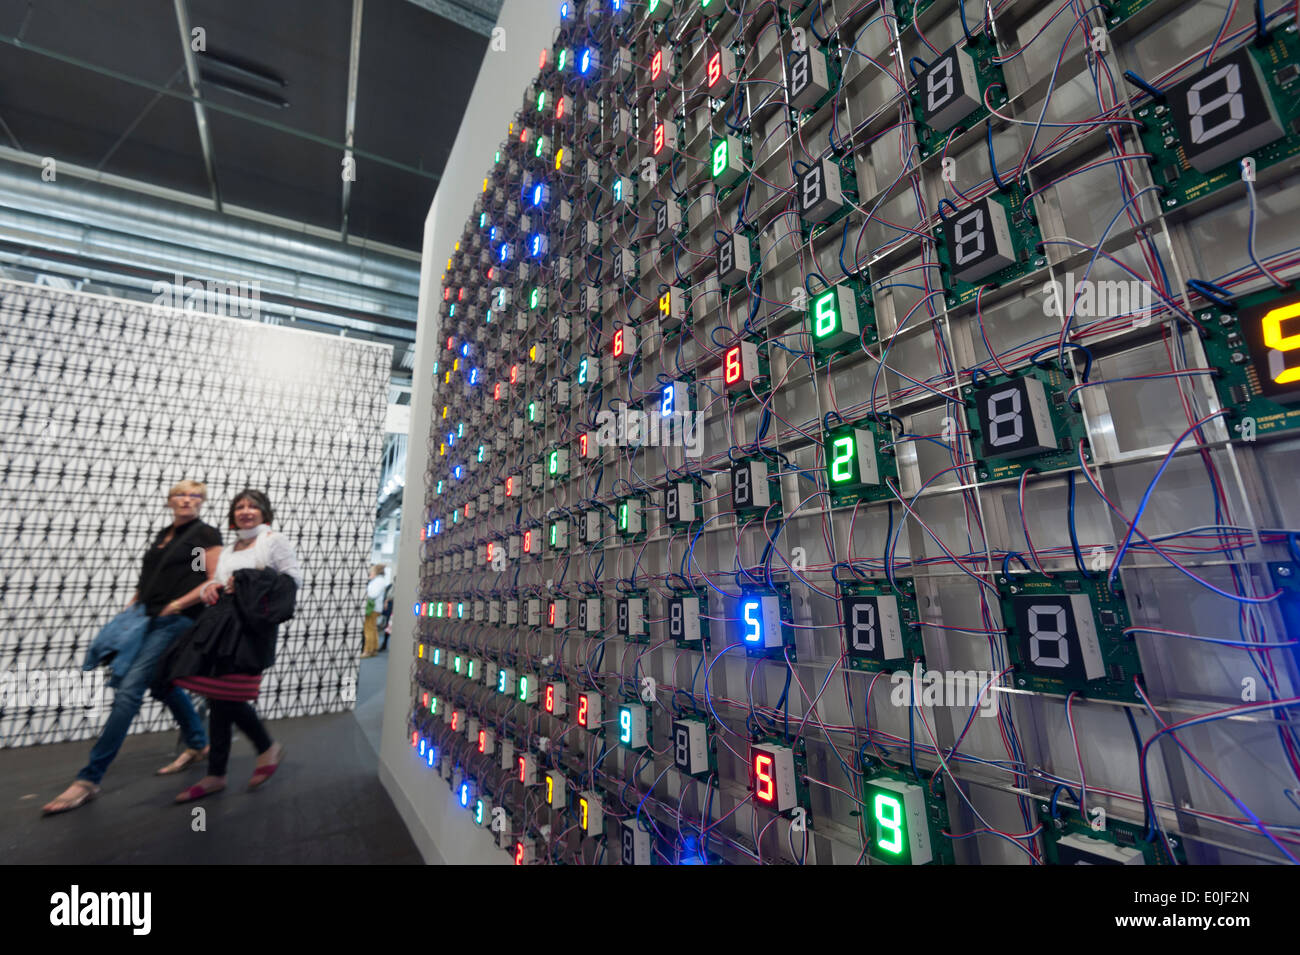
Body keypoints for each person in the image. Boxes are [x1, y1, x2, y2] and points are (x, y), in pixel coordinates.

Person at [42, 480, 222, 815]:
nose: (188, 500)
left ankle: (89, 778)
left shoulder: (203, 536)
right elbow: (149, 579)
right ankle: (198, 744)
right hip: (146, 618)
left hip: (176, 621)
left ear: (202, 502)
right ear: (170, 501)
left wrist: (177, 605)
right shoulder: (163, 536)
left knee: (128, 690)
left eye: (195, 496)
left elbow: (208, 580)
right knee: (161, 684)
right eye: (181, 494)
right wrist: (134, 604)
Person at [156, 488, 302, 803]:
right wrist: (210, 588)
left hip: (249, 628)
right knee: (217, 696)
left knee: (228, 697)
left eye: (252, 506)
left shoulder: (273, 541)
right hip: (221, 625)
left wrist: (248, 579)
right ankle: (219, 772)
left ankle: (259, 751)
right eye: (239, 506)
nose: (245, 511)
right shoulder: (230, 546)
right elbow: (218, 579)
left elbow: (291, 581)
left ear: (264, 512)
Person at [361, 564, 386, 658]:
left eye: (372, 570)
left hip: (372, 608)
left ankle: (367, 650)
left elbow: (372, 594)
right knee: (373, 629)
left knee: (368, 630)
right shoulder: (380, 580)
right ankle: (374, 649)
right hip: (376, 608)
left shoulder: (378, 581)